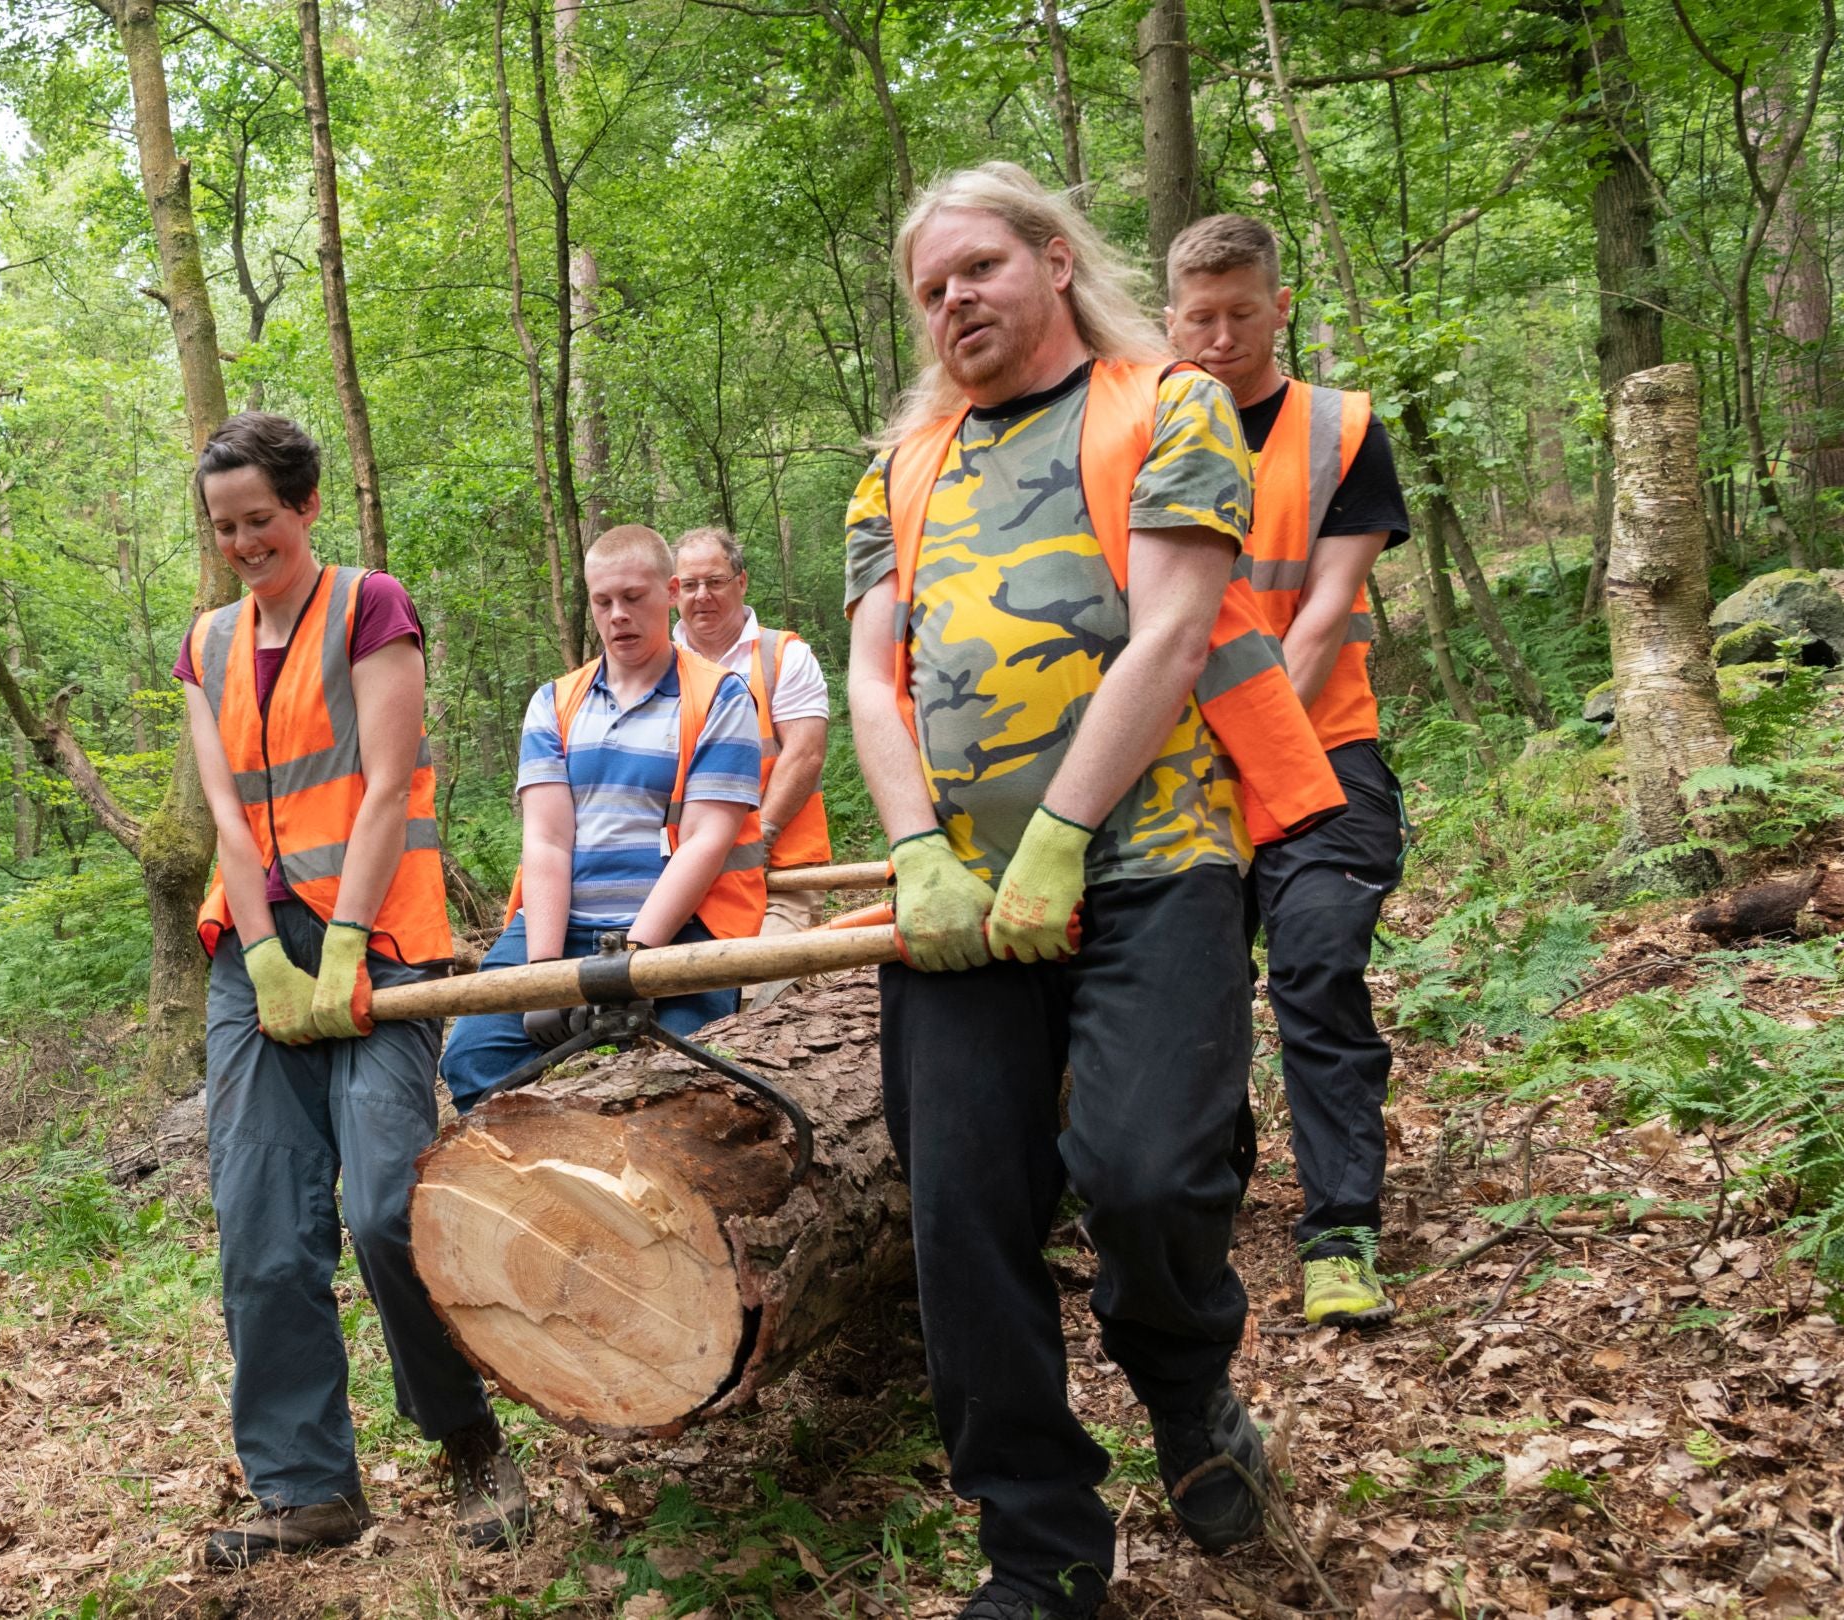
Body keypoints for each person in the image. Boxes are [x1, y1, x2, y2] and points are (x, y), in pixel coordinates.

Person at [840, 163, 1345, 1620]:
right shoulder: (902, 467)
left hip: (1152, 864)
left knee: (1147, 1176)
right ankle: (1040, 1545)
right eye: (931, 290)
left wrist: (1062, 830)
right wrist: (923, 849)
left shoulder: (1165, 402)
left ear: (1054, 263)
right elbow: (876, 677)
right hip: (958, 917)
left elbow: (1178, 626)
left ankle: (1186, 1391)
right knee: (965, 1228)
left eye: (980, 268)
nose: (955, 303)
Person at [173, 412, 530, 1567]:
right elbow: (227, 813)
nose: (242, 543)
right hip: (256, 959)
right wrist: (267, 958)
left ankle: (468, 1439)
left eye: (261, 520)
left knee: (386, 1207)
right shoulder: (208, 644)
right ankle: (307, 1488)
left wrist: (339, 947)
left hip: (378, 944)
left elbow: (385, 785)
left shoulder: (371, 607)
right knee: (264, 1230)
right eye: (225, 527)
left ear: (306, 507)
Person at [1167, 214, 1414, 1330]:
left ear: (1279, 307)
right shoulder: (1139, 425)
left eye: (1239, 313)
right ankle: (1206, 1189)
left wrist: (1255, 754)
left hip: (1322, 748)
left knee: (1314, 970)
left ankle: (1341, 1230)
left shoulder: (1339, 430)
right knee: (1192, 990)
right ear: (1173, 318)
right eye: (1198, 317)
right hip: (1177, 768)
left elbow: (1320, 617)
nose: (1219, 337)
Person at [438, 523, 769, 1108]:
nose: (618, 615)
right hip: (561, 927)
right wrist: (545, 973)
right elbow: (545, 841)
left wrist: (630, 965)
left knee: (686, 1082)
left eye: (633, 598)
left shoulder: (721, 696)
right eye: (603, 601)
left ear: (669, 594)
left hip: (681, 929)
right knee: (473, 1061)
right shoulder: (553, 703)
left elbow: (705, 841)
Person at [671, 527, 833, 1009]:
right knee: (677, 1003)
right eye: (690, 584)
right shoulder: (656, 663)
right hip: (683, 876)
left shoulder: (784, 655)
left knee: (760, 999)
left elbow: (804, 753)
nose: (703, 596)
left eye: (715, 581)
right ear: (672, 591)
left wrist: (755, 836)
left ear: (741, 582)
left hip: (783, 870)